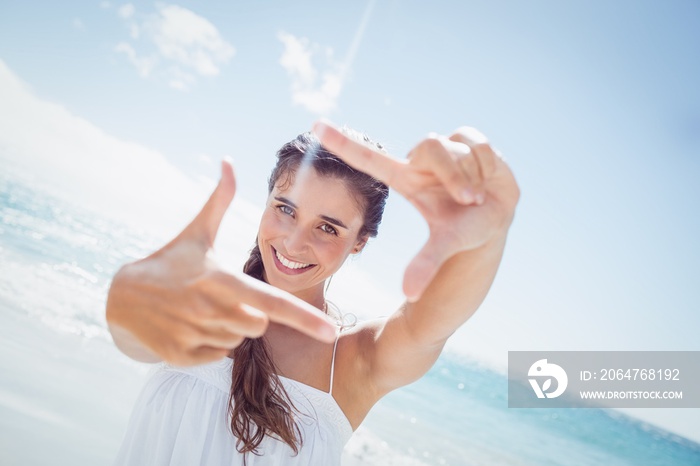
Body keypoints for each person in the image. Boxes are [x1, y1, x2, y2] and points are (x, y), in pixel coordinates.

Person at [106, 120, 520, 465]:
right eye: (285, 208)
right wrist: (125, 294)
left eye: (328, 227)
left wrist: (487, 237)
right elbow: (130, 335)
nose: (292, 243)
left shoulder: (355, 363)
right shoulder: (196, 302)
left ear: (360, 242)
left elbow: (428, 328)